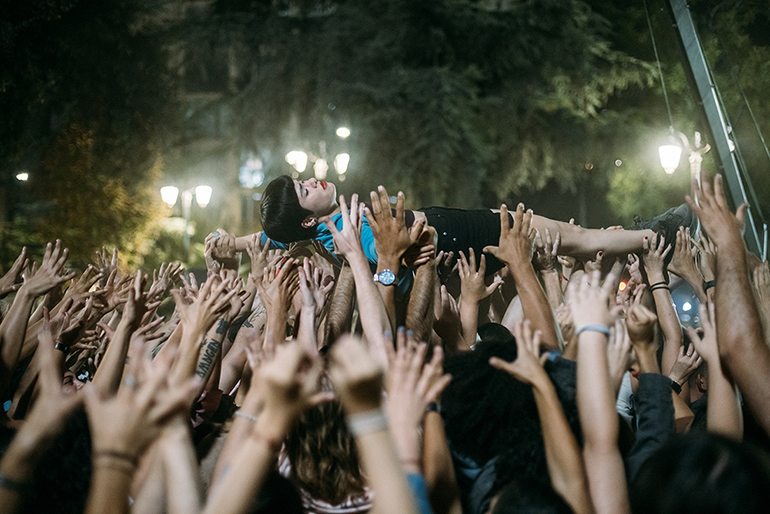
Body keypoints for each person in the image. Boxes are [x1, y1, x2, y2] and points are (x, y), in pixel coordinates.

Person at [232, 175, 693, 276]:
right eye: (304, 191)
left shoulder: (316, 232)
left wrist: (232, 242)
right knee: (577, 241)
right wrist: (412, 234)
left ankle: (646, 237)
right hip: (467, 235)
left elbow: (272, 233)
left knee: (576, 245)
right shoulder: (355, 231)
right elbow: (391, 257)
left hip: (462, 229)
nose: (311, 181)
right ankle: (661, 236)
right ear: (309, 215)